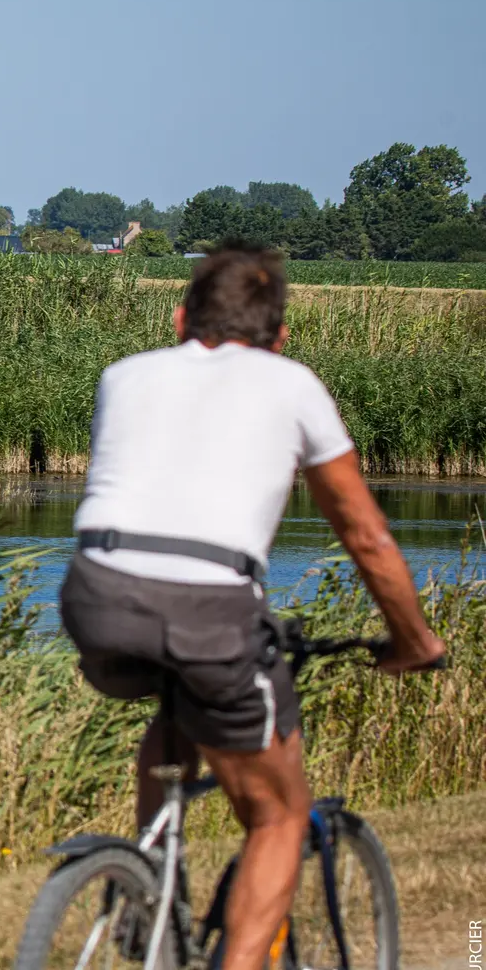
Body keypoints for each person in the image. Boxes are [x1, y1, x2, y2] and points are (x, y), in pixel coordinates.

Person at [60, 237, 445, 970]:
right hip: (208, 606)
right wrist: (414, 639)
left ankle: (151, 895)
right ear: (281, 336)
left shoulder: (125, 374)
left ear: (179, 319)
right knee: (279, 814)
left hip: (94, 594)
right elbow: (364, 535)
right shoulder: (293, 385)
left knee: (175, 711)